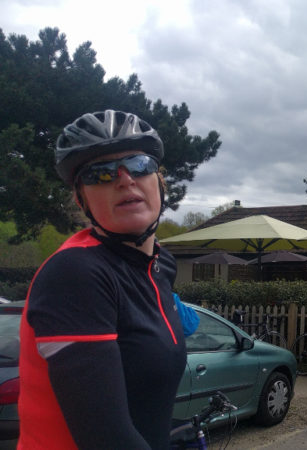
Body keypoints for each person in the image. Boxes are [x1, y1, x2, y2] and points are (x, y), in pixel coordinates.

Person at [18, 110, 187, 449]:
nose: (125, 179)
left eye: (139, 164)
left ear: (160, 182)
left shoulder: (160, 264)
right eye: (101, 173)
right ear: (81, 200)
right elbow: (108, 439)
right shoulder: (75, 273)